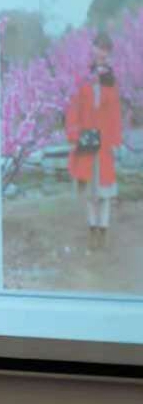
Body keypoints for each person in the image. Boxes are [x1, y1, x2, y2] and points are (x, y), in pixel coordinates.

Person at [65, 32, 122, 252]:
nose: (101, 53)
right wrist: (73, 135)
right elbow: (74, 107)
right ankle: (92, 231)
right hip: (87, 135)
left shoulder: (111, 79)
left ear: (109, 53)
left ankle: (103, 232)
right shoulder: (84, 76)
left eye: (105, 49)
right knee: (89, 190)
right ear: (93, 49)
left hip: (105, 138)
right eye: (98, 47)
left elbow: (115, 113)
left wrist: (116, 140)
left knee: (105, 190)